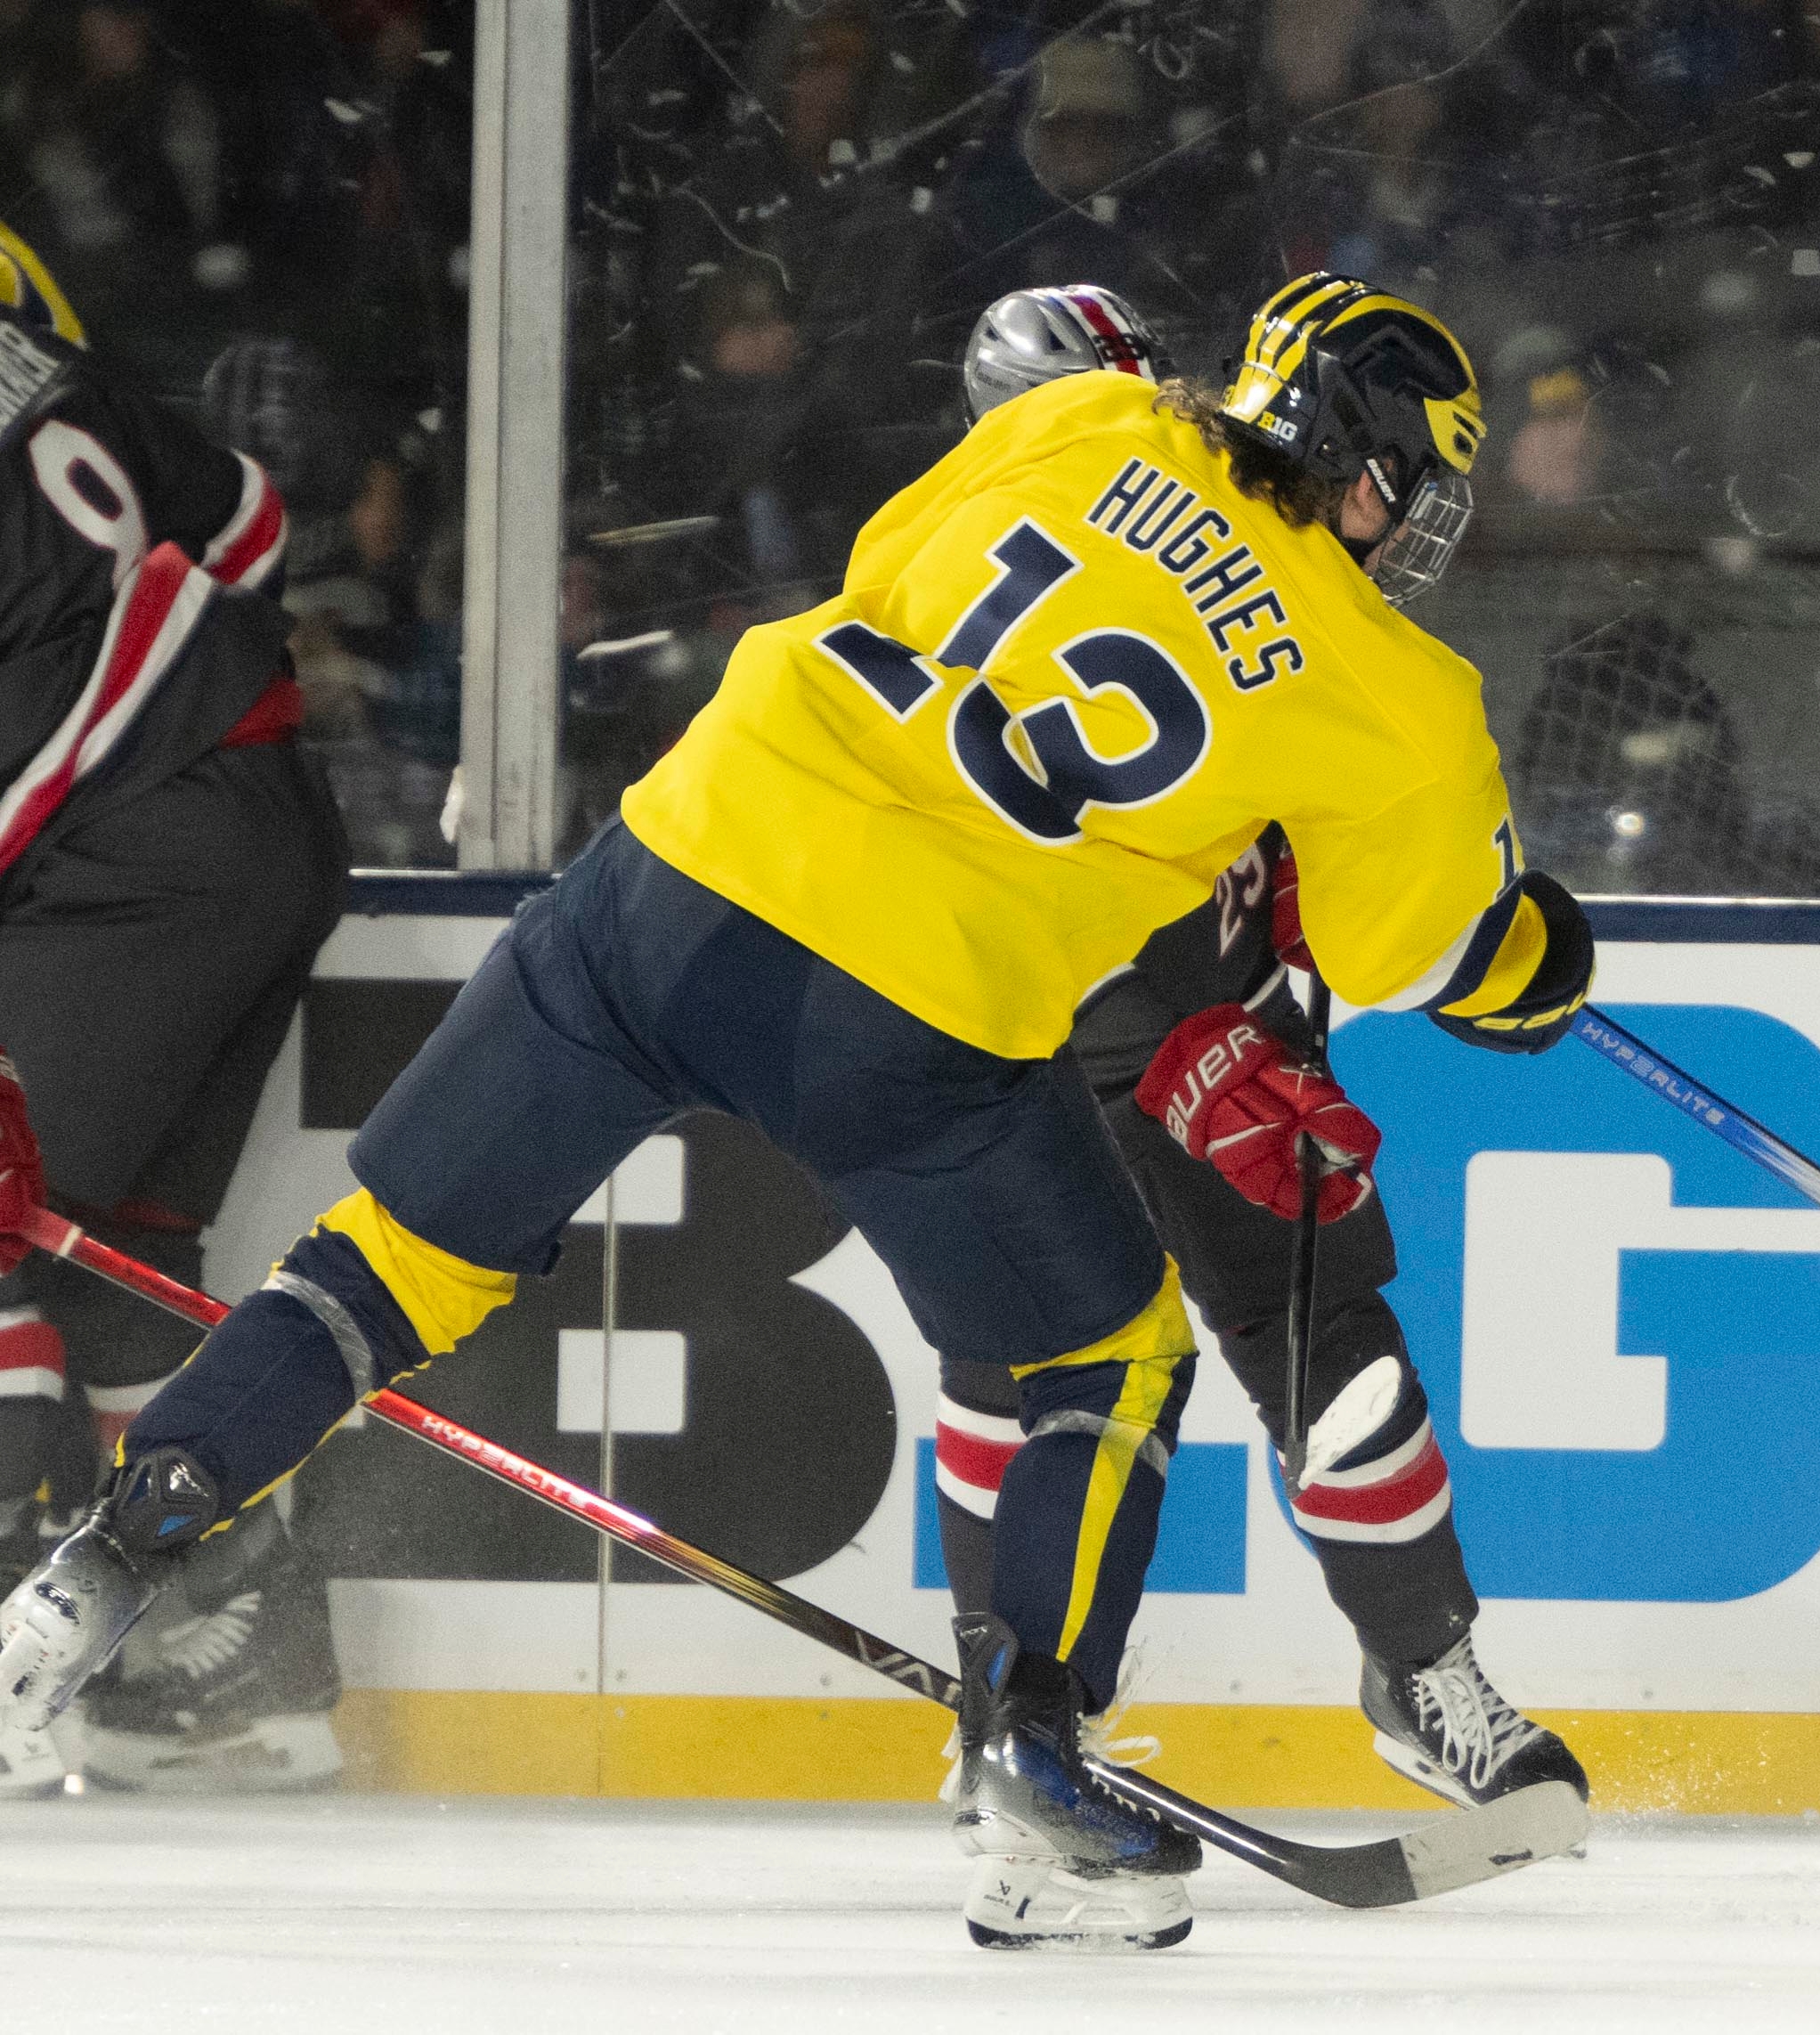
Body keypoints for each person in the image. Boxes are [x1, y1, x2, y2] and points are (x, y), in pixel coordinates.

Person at [0, 272, 1595, 1951]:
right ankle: (1033, 1767)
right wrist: (1538, 957)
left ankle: (100, 1560)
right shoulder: (1399, 699)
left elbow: (888, 582)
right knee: (1102, 1358)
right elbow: (1420, 955)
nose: (1403, 525)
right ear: (1349, 448)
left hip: (667, 876)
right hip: (902, 1001)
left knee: (385, 1262)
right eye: (1397, 480)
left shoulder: (1084, 418)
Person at [929, 281, 1586, 1817]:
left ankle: (1423, 1676)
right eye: (1392, 482)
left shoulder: (1227, 539)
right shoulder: (1110, 504)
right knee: (1051, 1365)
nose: (1408, 527)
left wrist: (1443, 943)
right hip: (1039, 1011)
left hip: (1208, 1013)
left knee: (1327, 1337)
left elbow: (1367, 883)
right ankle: (1013, 1713)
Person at [0, 228, 349, 1797]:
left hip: (124, 863)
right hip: (264, 819)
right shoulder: (52, 374)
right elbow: (254, 523)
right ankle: (231, 1663)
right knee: (121, 1258)